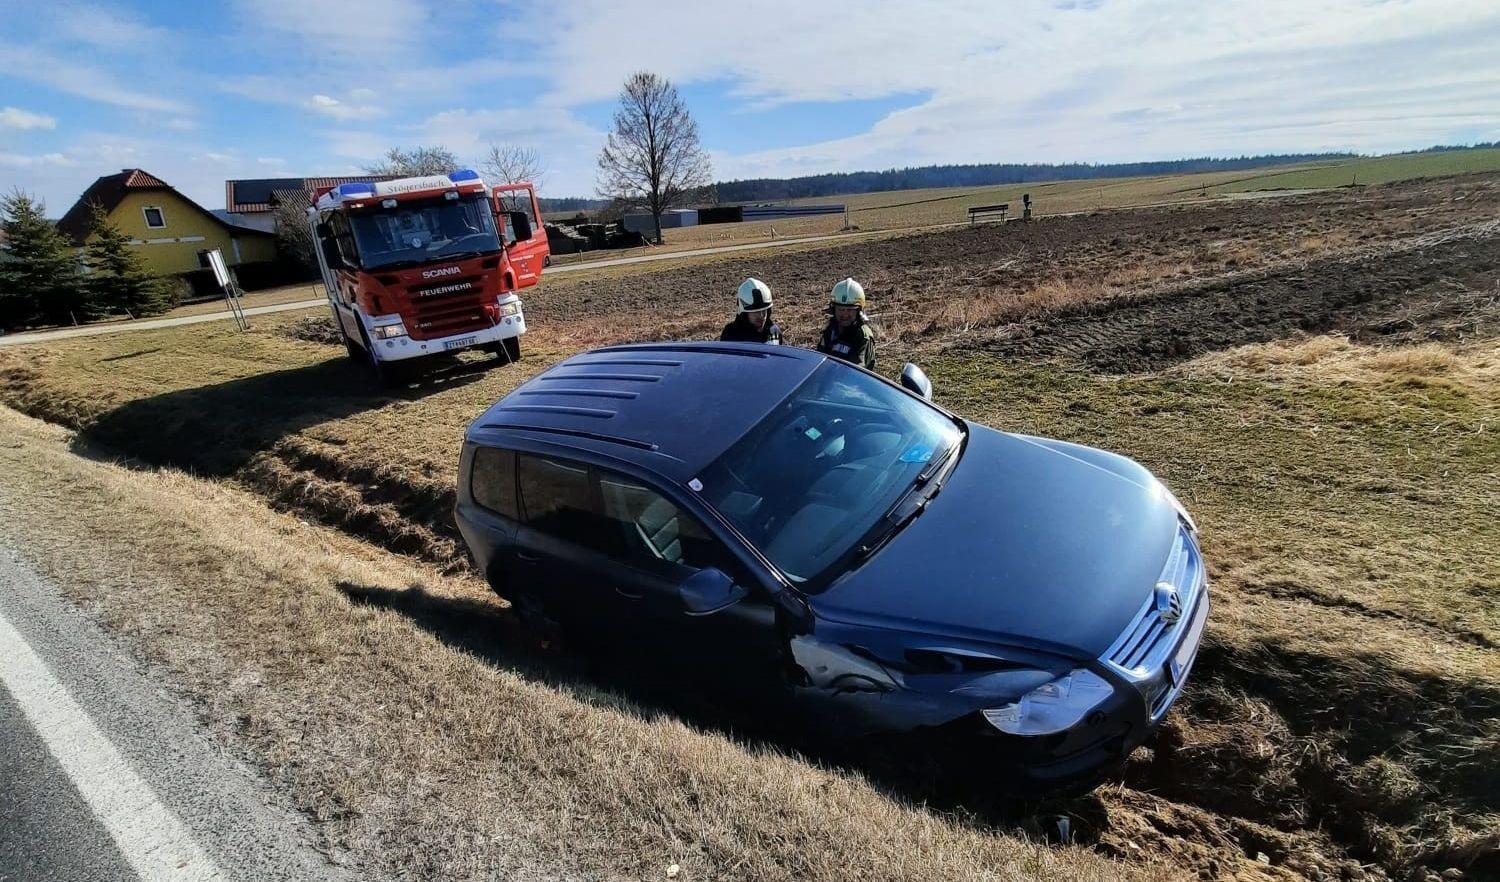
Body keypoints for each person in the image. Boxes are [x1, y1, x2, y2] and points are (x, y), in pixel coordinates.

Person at [816, 278, 875, 370]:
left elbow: (857, 371)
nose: (845, 315)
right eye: (841, 309)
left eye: (850, 310)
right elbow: (819, 358)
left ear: (858, 311)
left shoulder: (863, 336)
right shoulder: (830, 330)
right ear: (834, 310)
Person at [720, 277, 783, 344]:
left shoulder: (774, 332)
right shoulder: (731, 334)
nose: (761, 315)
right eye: (756, 312)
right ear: (744, 314)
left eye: (764, 310)